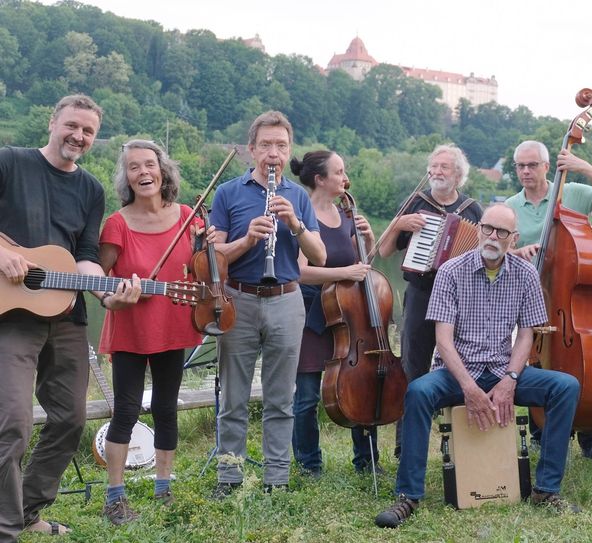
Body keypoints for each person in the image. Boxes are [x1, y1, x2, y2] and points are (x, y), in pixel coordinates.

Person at [374, 204, 580, 528]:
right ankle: (408, 496)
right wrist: (468, 386)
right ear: (479, 229)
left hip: (502, 370)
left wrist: (511, 379)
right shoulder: (450, 271)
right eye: (487, 228)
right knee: (417, 392)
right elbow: (443, 339)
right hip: (456, 372)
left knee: (565, 386)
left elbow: (526, 336)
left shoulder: (526, 274)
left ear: (514, 238)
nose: (492, 236)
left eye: (501, 232)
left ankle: (546, 489)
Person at [0, 95, 141, 541]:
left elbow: (83, 256)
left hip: (67, 314)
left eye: (88, 131)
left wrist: (107, 290)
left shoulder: (90, 189)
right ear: (52, 121)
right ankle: (5, 528)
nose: (78, 136)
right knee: (13, 423)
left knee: (70, 419)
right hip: (11, 315)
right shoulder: (10, 162)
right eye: (72, 126)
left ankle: (28, 510)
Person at [209, 111, 326, 497]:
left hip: (287, 300)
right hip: (238, 299)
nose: (273, 153)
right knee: (234, 399)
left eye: (281, 145)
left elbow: (320, 257)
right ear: (251, 150)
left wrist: (295, 224)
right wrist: (247, 241)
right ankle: (229, 479)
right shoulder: (228, 192)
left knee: (280, 399)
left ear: (288, 149)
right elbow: (214, 256)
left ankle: (276, 480)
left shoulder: (298, 197)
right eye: (266, 145)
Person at [97, 140, 206, 524]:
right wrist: (114, 299)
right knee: (125, 409)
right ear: (126, 177)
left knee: (165, 407)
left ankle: (164, 487)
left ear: (163, 171)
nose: (143, 173)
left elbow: (204, 266)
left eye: (149, 165)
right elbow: (101, 282)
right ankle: (115, 497)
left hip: (172, 325)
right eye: (133, 167)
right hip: (131, 327)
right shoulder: (117, 223)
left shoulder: (189, 217)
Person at [505, 140, 592, 464]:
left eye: (533, 165)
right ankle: (539, 433)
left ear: (547, 166)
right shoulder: (511, 206)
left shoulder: (572, 192)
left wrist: (581, 166)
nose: (526, 171)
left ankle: (590, 438)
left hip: (570, 298)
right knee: (535, 361)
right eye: (521, 166)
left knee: (583, 361)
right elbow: (498, 251)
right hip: (533, 297)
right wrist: (516, 253)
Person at [376, 144, 483, 456]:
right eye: (433, 166)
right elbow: (383, 252)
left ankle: (463, 442)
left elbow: (485, 255)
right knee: (413, 367)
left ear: (458, 176)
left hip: (460, 300)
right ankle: (405, 445)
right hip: (421, 294)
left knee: (465, 365)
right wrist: (399, 224)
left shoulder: (472, 210)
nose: (436, 172)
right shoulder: (415, 203)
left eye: (444, 168)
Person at [289, 150, 382, 476]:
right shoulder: (301, 218)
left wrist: (367, 237)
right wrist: (343, 273)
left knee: (360, 384)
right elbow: (299, 272)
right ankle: (308, 465)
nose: (345, 179)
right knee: (307, 397)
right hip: (311, 315)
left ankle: (367, 462)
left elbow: (361, 266)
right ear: (320, 179)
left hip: (348, 315)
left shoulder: (346, 216)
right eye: (339, 172)